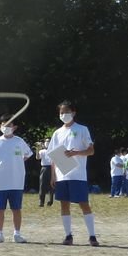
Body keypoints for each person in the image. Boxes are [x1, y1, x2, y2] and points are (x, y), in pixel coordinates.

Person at [47, 100, 98, 246]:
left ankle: (92, 236)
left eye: (66, 112)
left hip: (78, 174)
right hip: (62, 173)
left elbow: (91, 150)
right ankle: (68, 235)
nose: (64, 115)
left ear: (74, 113)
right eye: (61, 113)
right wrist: (53, 175)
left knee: (83, 203)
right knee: (64, 204)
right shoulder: (57, 133)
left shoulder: (82, 129)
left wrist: (77, 153)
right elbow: (53, 155)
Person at [0, 115, 34, 243]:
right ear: (0, 126)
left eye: (9, 125)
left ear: (14, 127)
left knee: (16, 208)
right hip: (0, 181)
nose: (6, 127)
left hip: (16, 181)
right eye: (4, 125)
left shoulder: (19, 141)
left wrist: (18, 163)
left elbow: (28, 154)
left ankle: (17, 234)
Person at [37, 141, 54, 207]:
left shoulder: (53, 149)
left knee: (52, 185)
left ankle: (50, 201)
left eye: (48, 142)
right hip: (44, 168)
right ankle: (41, 202)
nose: (47, 143)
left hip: (52, 167)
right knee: (42, 185)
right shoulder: (42, 151)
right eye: (46, 142)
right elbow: (37, 157)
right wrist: (37, 149)